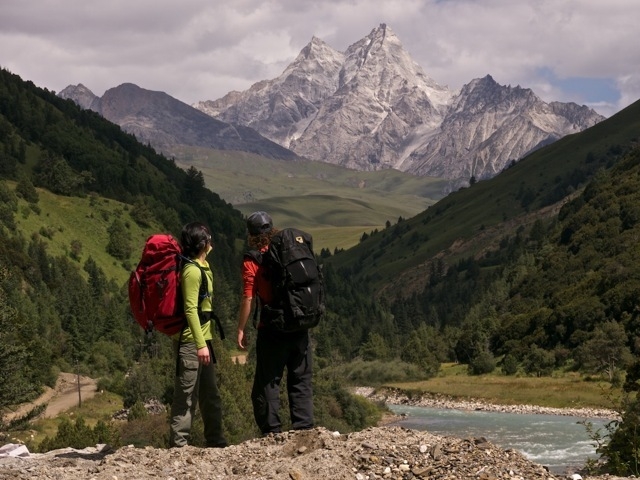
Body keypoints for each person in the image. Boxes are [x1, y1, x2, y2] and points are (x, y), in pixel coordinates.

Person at [236, 211, 314, 434]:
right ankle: (304, 429)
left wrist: (241, 328)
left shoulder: (252, 260)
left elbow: (248, 297)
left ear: (251, 235)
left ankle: (272, 432)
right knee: (300, 379)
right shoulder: (291, 251)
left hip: (272, 328)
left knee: (268, 381)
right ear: (272, 228)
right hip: (299, 323)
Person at [169, 222, 227, 448]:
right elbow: (190, 309)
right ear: (203, 244)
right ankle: (178, 447)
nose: (211, 242)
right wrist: (201, 344)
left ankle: (216, 442)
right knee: (186, 397)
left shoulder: (202, 265)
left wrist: (205, 343)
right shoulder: (192, 271)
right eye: (209, 239)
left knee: (210, 395)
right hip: (191, 344)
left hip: (204, 342)